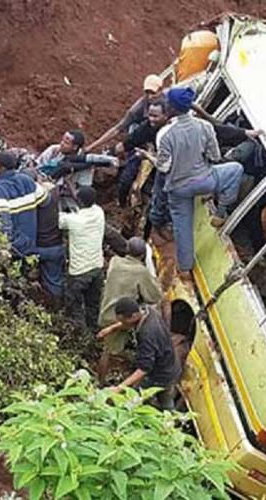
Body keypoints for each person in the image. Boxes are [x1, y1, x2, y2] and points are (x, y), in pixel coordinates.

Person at [156, 87, 243, 279]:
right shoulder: (205, 127)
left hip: (178, 188)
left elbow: (163, 167)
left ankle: (185, 269)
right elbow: (215, 156)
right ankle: (220, 214)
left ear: (171, 108)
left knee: (182, 227)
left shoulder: (165, 133)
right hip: (205, 180)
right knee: (235, 170)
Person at [96, 237, 162, 382]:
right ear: (143, 255)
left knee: (108, 349)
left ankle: (101, 381)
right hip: (119, 319)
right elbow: (154, 296)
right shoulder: (140, 271)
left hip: (105, 311)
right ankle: (100, 384)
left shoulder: (114, 261)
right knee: (109, 353)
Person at [103, 297, 180, 410]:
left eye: (124, 321)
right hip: (170, 363)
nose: (123, 324)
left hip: (160, 374)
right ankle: (170, 418)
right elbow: (129, 323)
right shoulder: (148, 310)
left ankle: (166, 419)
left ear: (134, 316)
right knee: (166, 398)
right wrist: (112, 328)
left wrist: (119, 388)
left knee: (134, 400)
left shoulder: (147, 334)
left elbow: (144, 369)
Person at [59, 186, 105, 329]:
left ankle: (79, 334)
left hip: (79, 272)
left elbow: (59, 220)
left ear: (79, 201)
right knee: (93, 305)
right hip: (97, 267)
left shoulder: (73, 220)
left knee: (74, 307)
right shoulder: (99, 212)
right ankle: (92, 332)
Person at [0, 151, 47, 258]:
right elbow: (46, 200)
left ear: (2, 168)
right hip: (32, 239)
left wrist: (6, 246)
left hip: (16, 245)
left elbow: (4, 220)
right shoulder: (27, 180)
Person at [86, 74, 166, 153]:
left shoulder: (170, 100)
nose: (150, 97)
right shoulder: (138, 109)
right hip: (147, 131)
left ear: (161, 90)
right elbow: (117, 129)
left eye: (153, 93)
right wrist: (91, 147)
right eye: (147, 93)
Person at [34, 182, 66, 301]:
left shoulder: (34, 209)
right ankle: (59, 304)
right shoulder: (56, 205)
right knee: (54, 279)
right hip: (56, 246)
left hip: (39, 248)